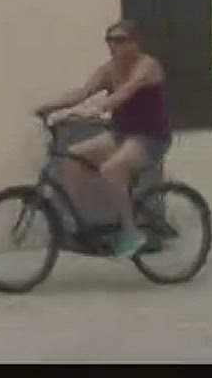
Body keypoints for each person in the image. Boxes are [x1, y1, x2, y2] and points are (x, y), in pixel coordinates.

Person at [32, 21, 172, 260]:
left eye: (119, 40)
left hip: (150, 137)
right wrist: (46, 108)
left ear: (135, 44)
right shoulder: (108, 69)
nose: (112, 46)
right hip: (121, 135)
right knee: (73, 157)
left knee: (112, 169)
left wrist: (101, 107)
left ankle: (131, 233)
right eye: (109, 40)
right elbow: (81, 93)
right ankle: (78, 225)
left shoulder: (147, 66)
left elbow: (127, 90)